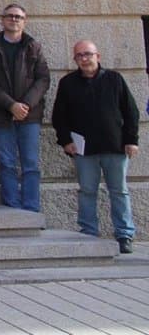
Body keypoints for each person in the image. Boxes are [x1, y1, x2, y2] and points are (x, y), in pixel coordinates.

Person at [52, 41, 139, 254]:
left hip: (115, 147)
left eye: (88, 54)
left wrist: (132, 140)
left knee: (119, 192)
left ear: (97, 56)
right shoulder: (67, 83)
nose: (84, 58)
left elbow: (131, 112)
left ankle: (124, 235)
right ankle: (89, 233)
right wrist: (66, 141)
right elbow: (59, 117)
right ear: (75, 59)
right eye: (79, 55)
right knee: (87, 192)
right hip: (84, 150)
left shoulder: (114, 79)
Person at [0, 3, 49, 212]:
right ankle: (12, 206)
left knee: (30, 164)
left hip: (30, 114)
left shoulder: (33, 47)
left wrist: (25, 104)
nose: (14, 20)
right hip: (2, 114)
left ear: (24, 21)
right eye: (10, 16)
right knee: (7, 162)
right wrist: (11, 105)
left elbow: (43, 79)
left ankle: (31, 207)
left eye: (18, 17)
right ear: (2, 20)